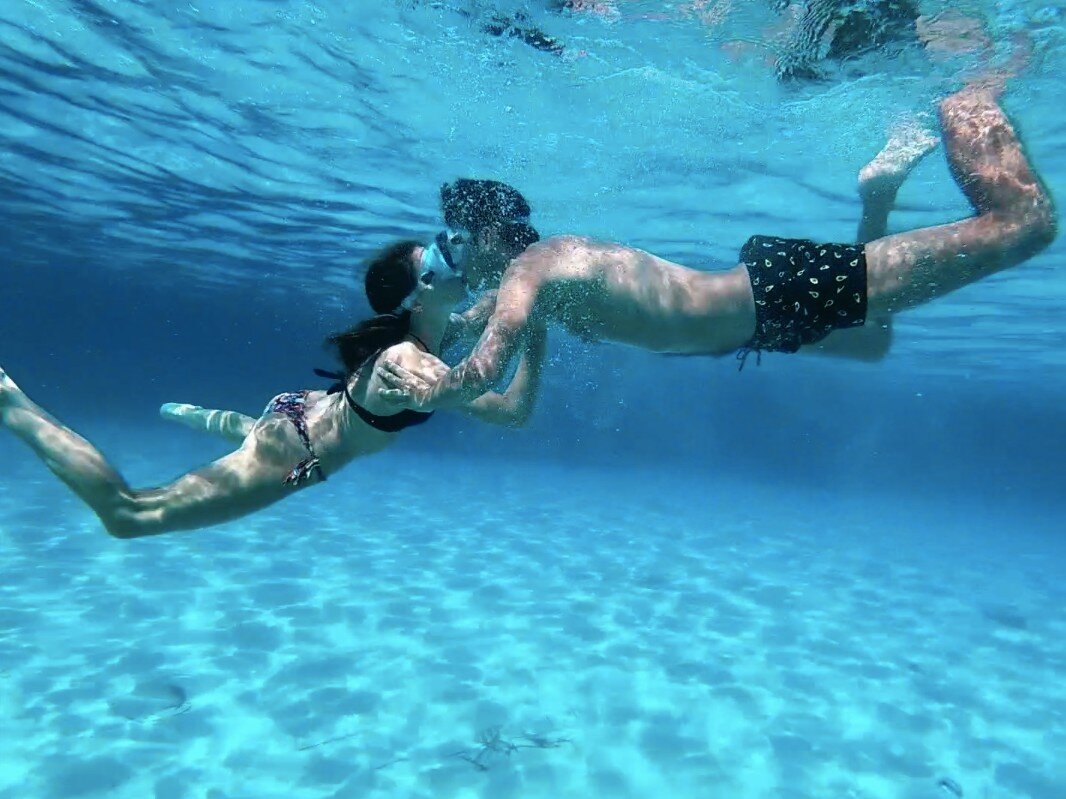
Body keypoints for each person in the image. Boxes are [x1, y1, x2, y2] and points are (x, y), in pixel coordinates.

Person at [373, 88, 1055, 411]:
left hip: (772, 292)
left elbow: (486, 371)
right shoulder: (522, 285)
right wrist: (430, 347)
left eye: (451, 243)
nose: (451, 258)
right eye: (441, 255)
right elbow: (513, 402)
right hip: (757, 319)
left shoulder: (529, 273)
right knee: (874, 343)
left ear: (488, 233)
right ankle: (877, 193)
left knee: (1021, 222)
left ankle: (968, 92)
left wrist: (443, 384)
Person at [0, 237, 546, 538]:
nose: (454, 246)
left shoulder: (430, 326)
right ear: (424, 289)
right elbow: (499, 395)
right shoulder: (408, 361)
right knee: (129, 515)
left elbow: (488, 324)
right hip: (297, 449)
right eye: (443, 251)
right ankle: (10, 401)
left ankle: (191, 413)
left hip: (295, 413)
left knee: (249, 432)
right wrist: (535, 330)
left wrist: (530, 298)